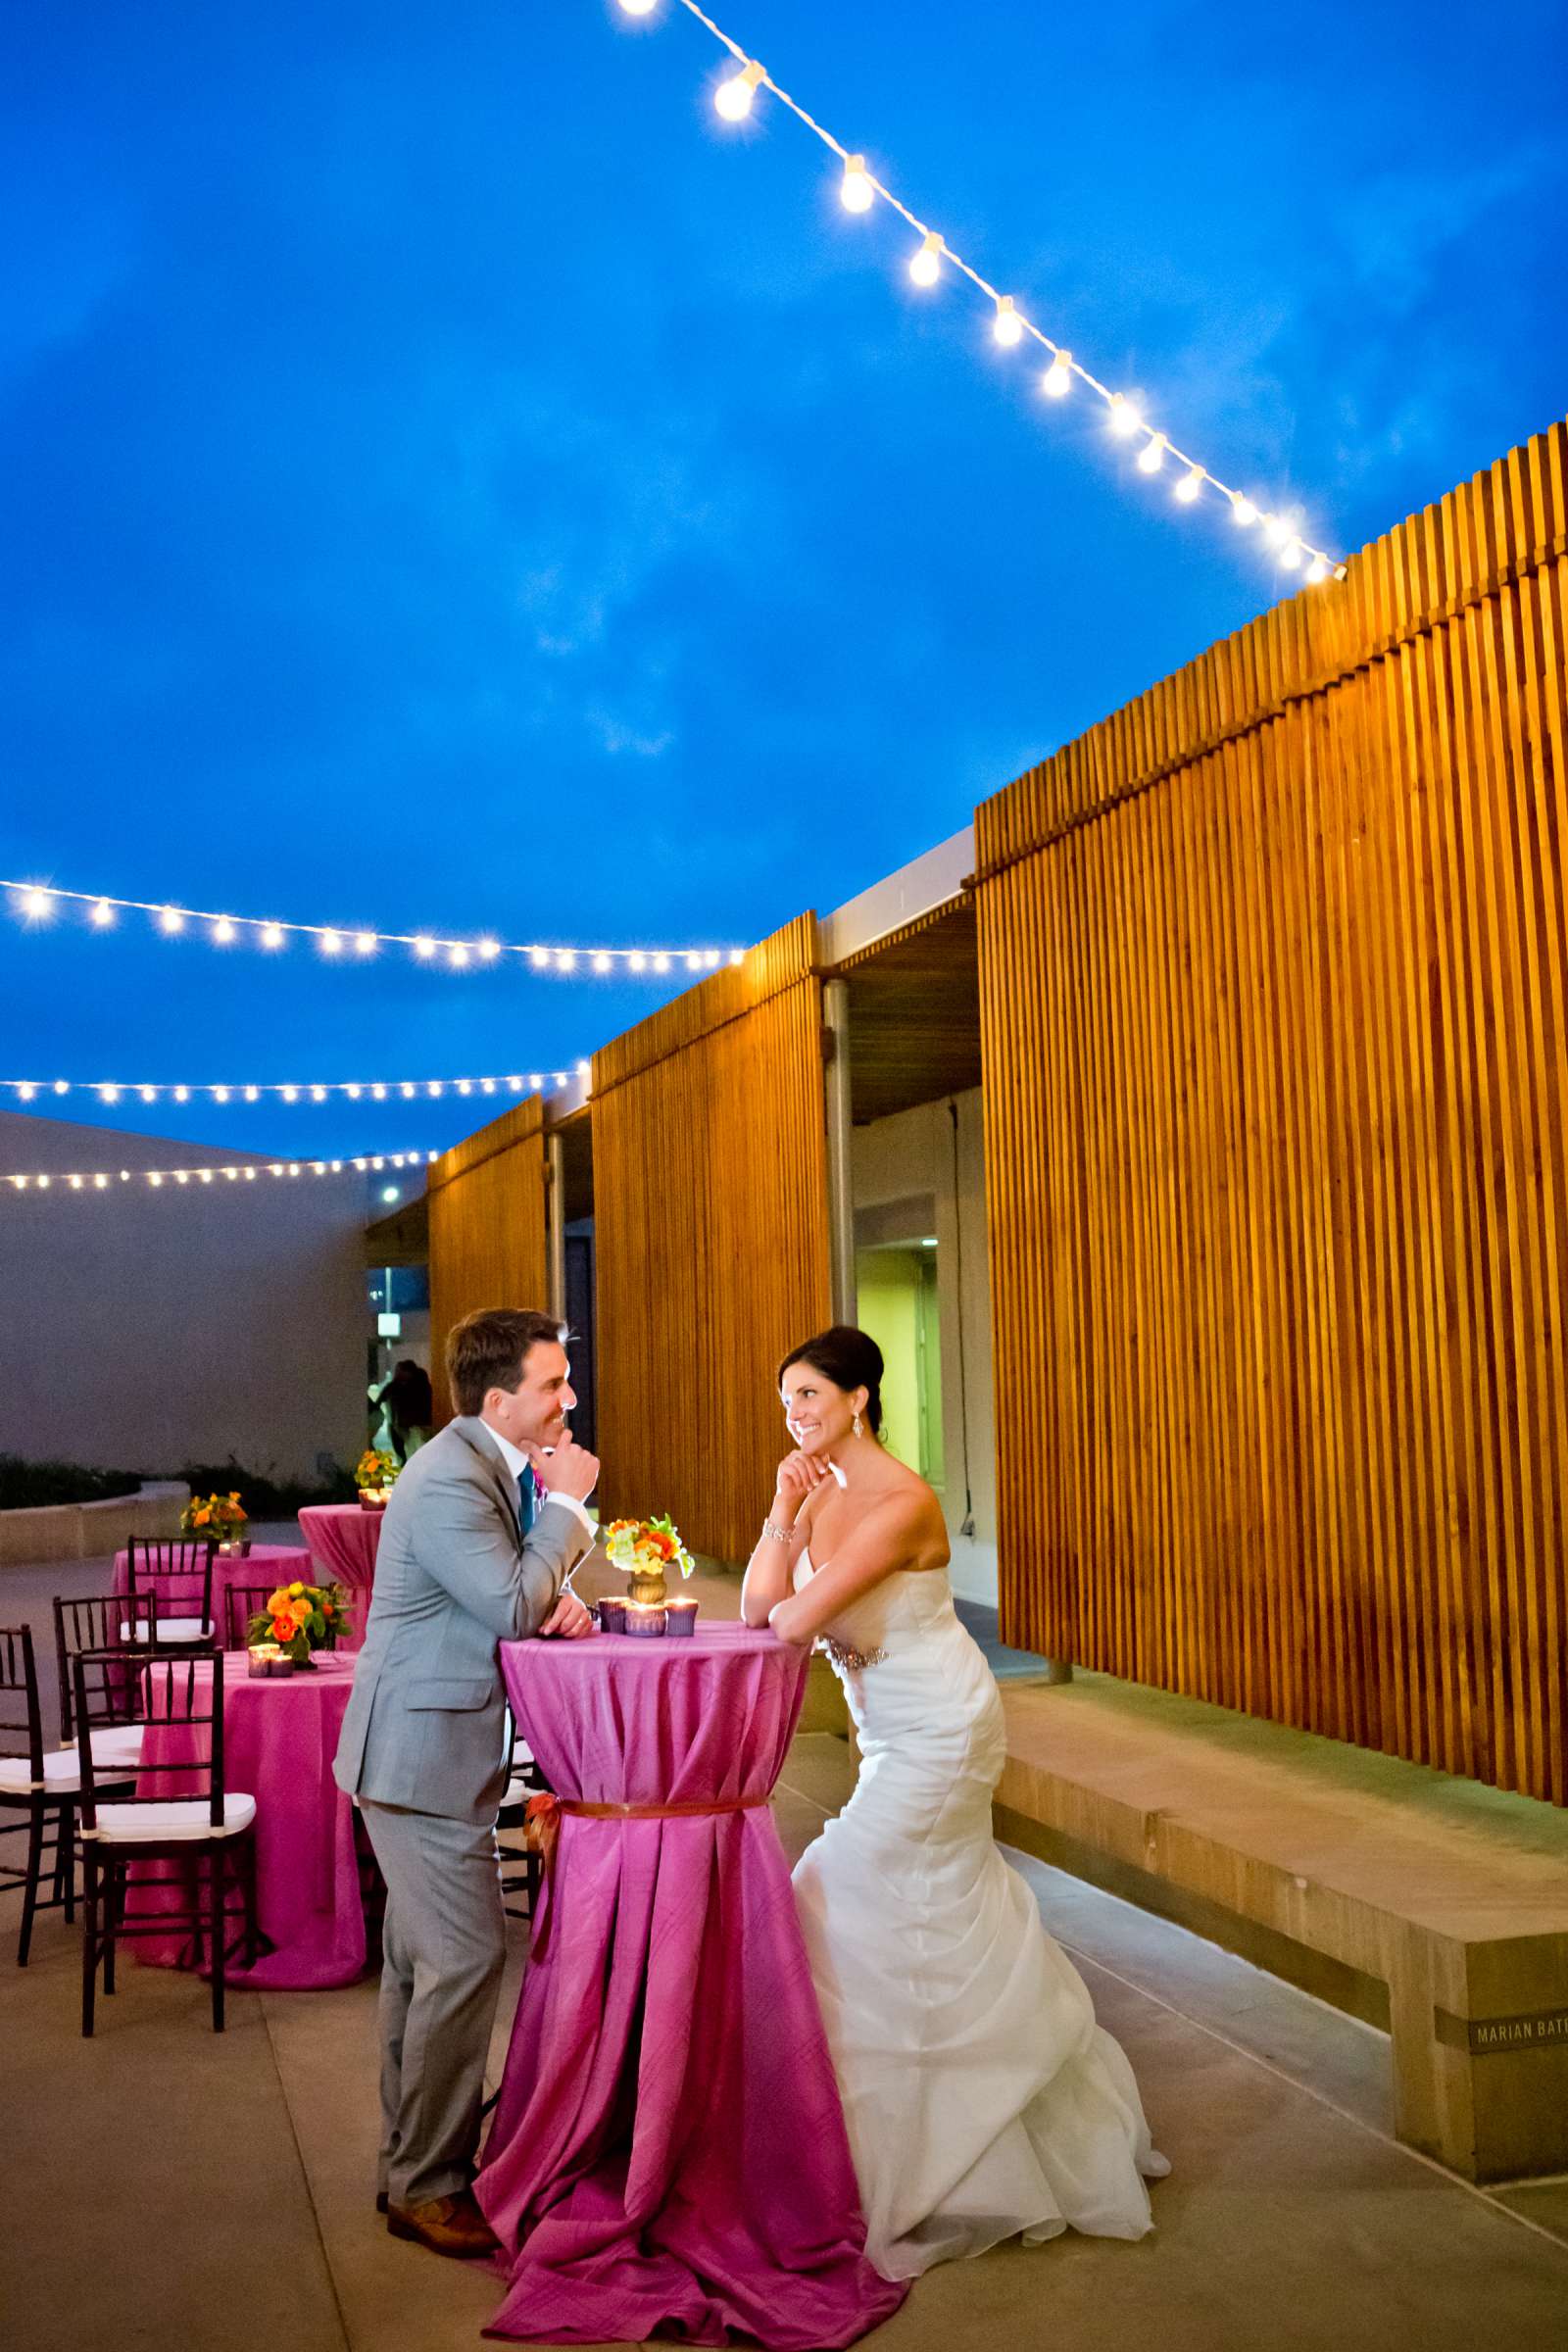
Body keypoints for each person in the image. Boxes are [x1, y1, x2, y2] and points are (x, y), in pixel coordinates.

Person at [742, 1324, 1167, 2280]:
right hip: (886, 1733)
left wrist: (792, 1590)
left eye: (809, 1395)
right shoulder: (821, 1495)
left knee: (833, 1886)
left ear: (859, 1398)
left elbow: (792, 1622)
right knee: (912, 1915)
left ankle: (924, 2153)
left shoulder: (900, 1501)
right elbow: (753, 1609)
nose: (794, 1414)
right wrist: (780, 1509)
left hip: (941, 1730)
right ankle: (929, 2138)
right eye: (786, 1400)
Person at [333, 1307, 600, 2262]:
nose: (569, 1399)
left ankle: (410, 2170)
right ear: (500, 1400)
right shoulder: (451, 1476)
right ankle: (428, 2184)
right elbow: (503, 1600)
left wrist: (550, 1592)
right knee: (465, 1961)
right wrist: (567, 1511)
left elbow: (506, 1598)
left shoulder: (479, 1465)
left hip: (429, 1756)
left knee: (421, 1970)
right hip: (415, 1763)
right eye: (554, 1385)